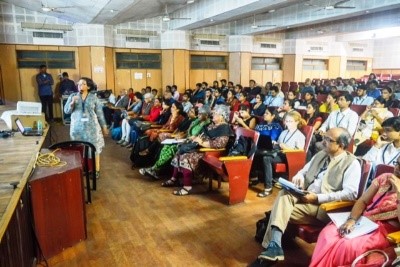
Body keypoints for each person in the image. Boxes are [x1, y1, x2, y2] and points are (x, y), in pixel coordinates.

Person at [257, 127, 361, 262]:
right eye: (324, 137)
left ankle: (272, 248)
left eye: (328, 140)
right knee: (284, 193)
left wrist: (318, 198)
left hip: (323, 207)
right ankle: (275, 246)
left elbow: (351, 194)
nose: (323, 142)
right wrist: (299, 176)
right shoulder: (321, 154)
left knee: (279, 209)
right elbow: (303, 171)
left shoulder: (352, 163)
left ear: (341, 145)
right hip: (305, 196)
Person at [310, 158, 400, 267]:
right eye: (397, 163)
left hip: (384, 230)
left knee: (348, 246)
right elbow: (362, 201)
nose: (397, 168)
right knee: (328, 233)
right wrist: (351, 220)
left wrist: (399, 193)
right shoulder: (384, 178)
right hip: (364, 221)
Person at [162, 105, 233, 196]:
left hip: (209, 152)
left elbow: (219, 145)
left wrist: (201, 142)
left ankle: (187, 187)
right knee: (179, 152)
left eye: (215, 114)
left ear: (222, 116)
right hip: (200, 147)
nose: (213, 115)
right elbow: (203, 134)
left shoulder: (224, 128)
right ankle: (173, 179)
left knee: (185, 157)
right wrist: (195, 137)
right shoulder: (213, 124)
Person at [139, 106, 211, 179]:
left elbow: (201, 138)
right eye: (199, 113)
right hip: (185, 140)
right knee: (166, 146)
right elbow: (187, 132)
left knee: (172, 148)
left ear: (207, 115)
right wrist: (181, 136)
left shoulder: (207, 125)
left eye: (201, 114)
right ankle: (156, 169)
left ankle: (154, 169)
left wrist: (189, 138)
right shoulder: (196, 121)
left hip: (192, 144)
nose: (199, 115)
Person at [64, 77, 109, 178]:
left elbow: (100, 113)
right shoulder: (73, 96)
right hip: (77, 128)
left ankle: (95, 170)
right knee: (79, 148)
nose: (80, 85)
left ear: (88, 86)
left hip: (92, 128)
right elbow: (66, 111)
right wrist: (72, 103)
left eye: (83, 84)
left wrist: (104, 127)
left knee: (94, 148)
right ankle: (82, 169)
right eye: (79, 84)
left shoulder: (94, 97)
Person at [255, 111, 306, 197]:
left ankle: (268, 188)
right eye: (286, 121)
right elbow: (279, 144)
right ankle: (256, 177)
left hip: (289, 157)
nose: (287, 123)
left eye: (290, 121)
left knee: (266, 158)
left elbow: (299, 152)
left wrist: (284, 147)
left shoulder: (300, 135)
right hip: (279, 152)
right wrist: (274, 143)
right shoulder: (284, 132)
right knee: (258, 151)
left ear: (297, 122)